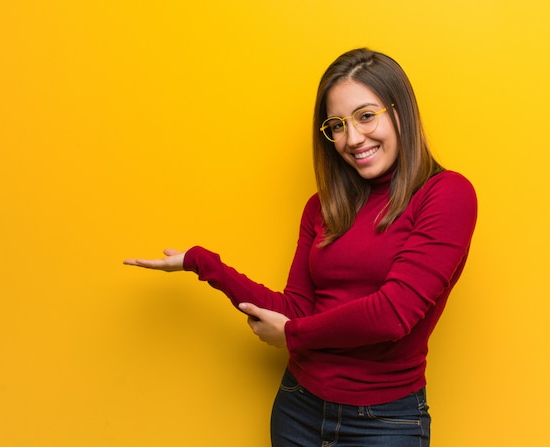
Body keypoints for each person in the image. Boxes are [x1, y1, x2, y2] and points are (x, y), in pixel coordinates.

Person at [124, 48, 478, 447]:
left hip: (384, 424)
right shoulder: (323, 206)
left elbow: (394, 314)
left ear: (401, 113)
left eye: (365, 116)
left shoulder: (447, 194)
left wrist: (293, 335)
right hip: (298, 408)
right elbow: (294, 308)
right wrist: (203, 264)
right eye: (337, 126)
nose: (353, 138)